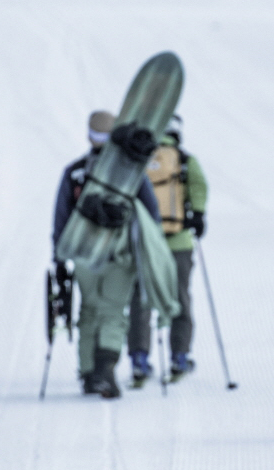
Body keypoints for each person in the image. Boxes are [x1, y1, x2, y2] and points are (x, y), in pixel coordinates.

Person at [52, 110, 160, 398]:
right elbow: (151, 213)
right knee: (112, 311)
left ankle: (87, 373)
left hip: (83, 251)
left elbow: (61, 218)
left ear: (89, 135)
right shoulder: (132, 172)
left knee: (88, 310)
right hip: (119, 253)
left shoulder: (74, 171)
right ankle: (105, 370)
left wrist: (59, 257)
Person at [127, 115, 208, 385]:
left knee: (141, 298)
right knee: (180, 297)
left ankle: (139, 358)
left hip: (144, 243)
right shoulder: (185, 161)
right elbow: (199, 187)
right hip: (179, 242)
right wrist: (197, 216)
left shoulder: (138, 159)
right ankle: (179, 357)